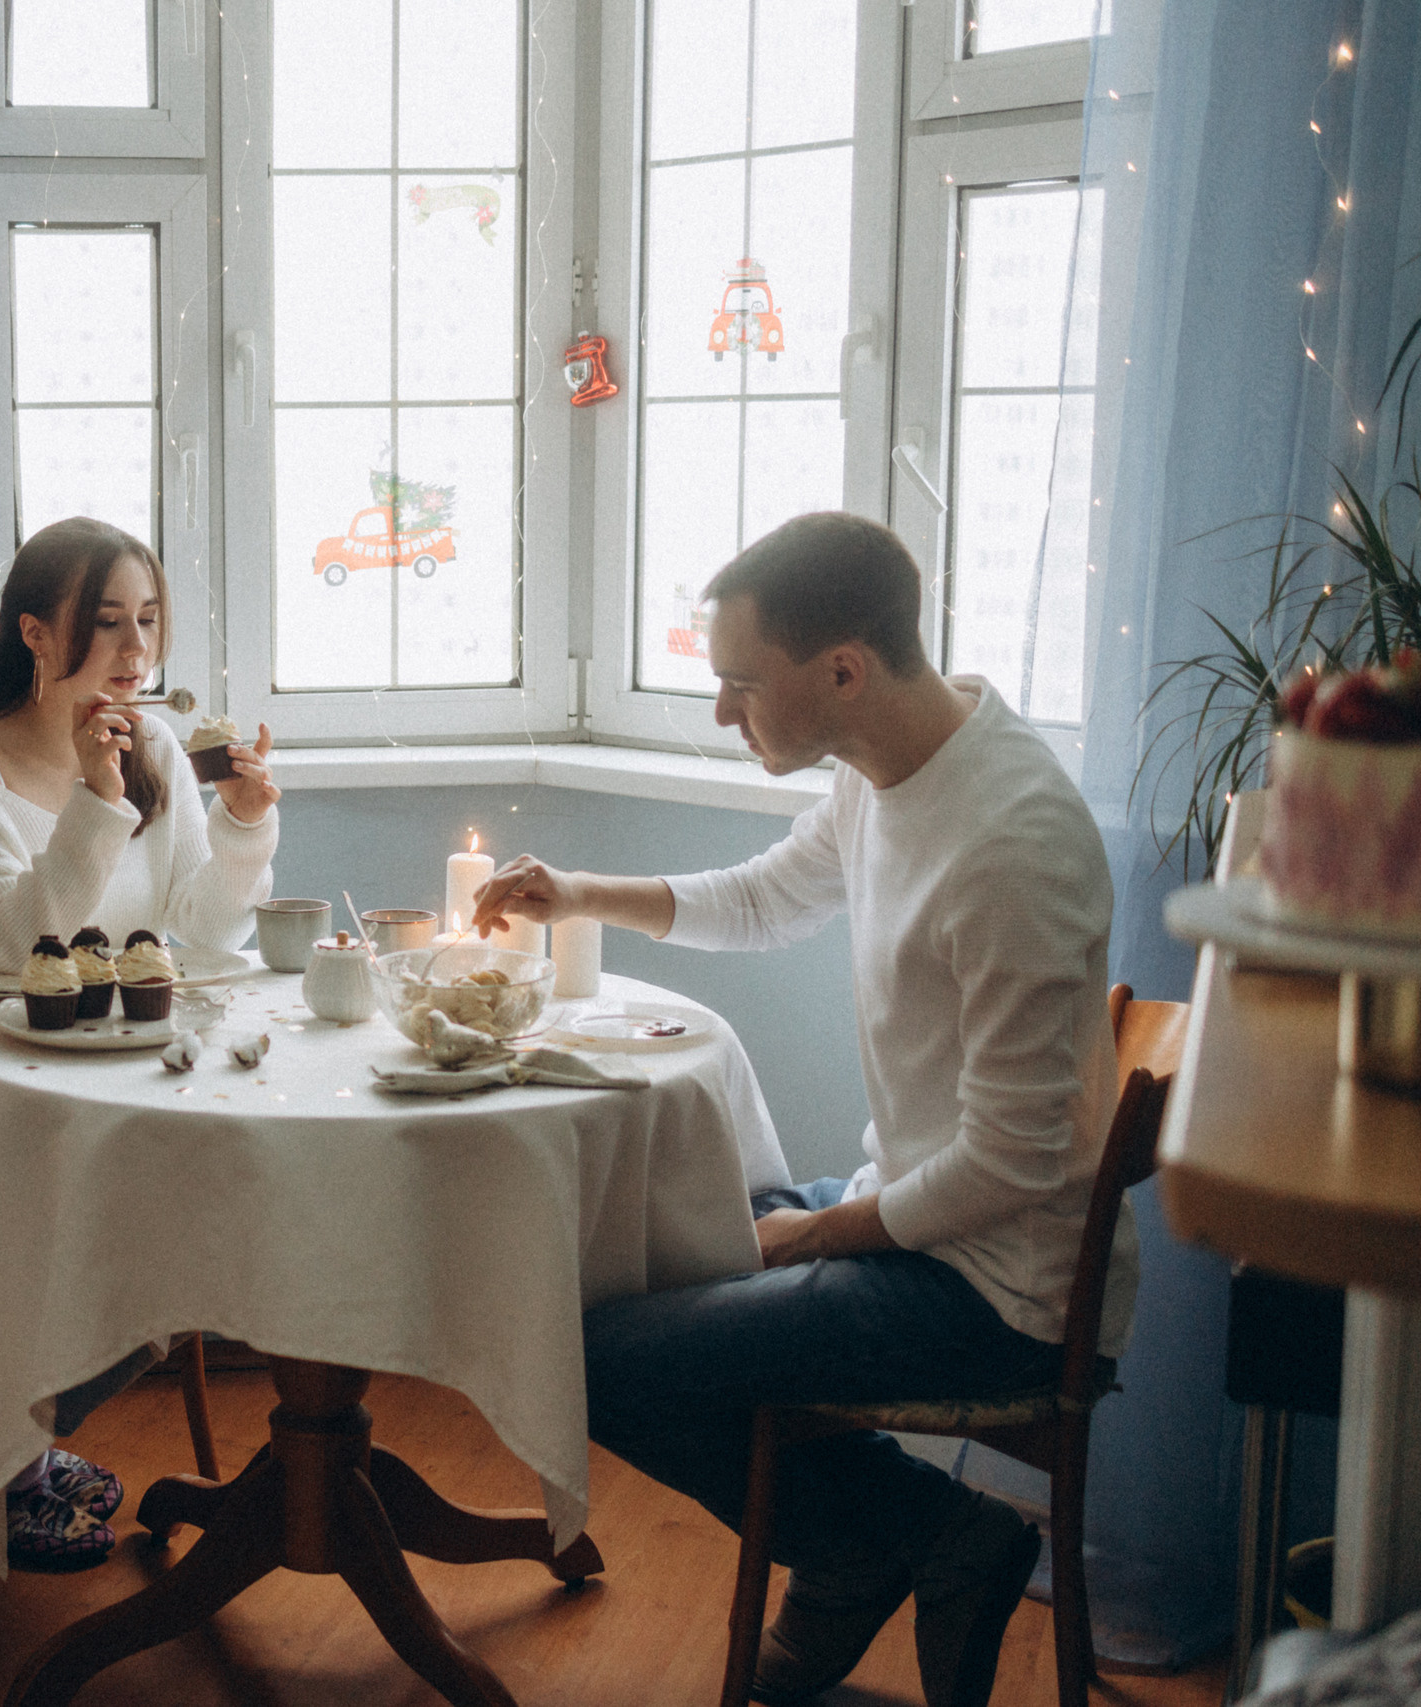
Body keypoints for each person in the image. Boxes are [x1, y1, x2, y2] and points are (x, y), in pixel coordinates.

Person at [471, 513, 1123, 1707]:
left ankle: (903, 1538)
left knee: (592, 1359)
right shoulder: (891, 767)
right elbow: (771, 898)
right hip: (913, 1214)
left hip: (997, 1288)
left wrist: (808, 1233)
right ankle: (871, 1543)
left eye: (736, 685)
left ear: (842, 670)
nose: (725, 714)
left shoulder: (1013, 846)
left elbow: (1010, 1165)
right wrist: (577, 894)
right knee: (641, 1255)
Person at [0, 516, 281, 1572]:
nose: (136, 653)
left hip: (114, 1077)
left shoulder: (151, 747)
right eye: (106, 625)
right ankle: (2, 1458)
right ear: (37, 636)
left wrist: (239, 822)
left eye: (148, 622)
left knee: (207, 1206)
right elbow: (8, 946)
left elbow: (198, 928)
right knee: (96, 1225)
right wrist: (96, 809)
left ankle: (18, 1434)